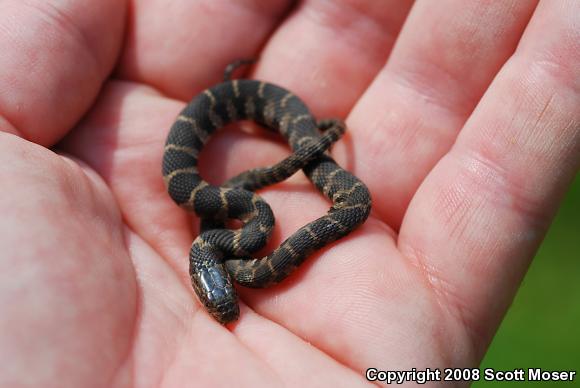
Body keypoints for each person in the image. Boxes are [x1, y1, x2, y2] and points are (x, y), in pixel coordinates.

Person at [0, 1, 578, 386]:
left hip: (255, 183)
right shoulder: (234, 234)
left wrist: (299, 157)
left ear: (212, 271)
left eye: (217, 298)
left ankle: (296, 139)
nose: (222, 302)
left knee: (320, 183)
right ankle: (300, 144)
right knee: (319, 187)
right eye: (217, 299)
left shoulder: (235, 224)